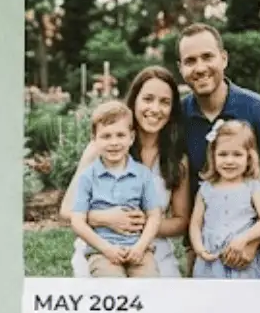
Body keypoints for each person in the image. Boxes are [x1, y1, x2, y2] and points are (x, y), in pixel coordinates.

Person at [175, 23, 260, 279]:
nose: (200, 68)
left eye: (208, 57)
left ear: (224, 58)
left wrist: (252, 239)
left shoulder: (259, 110)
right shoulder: (178, 117)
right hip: (209, 221)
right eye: (190, 61)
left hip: (257, 212)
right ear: (181, 68)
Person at [61, 66, 191, 275]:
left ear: (172, 109)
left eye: (164, 102)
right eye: (148, 99)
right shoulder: (104, 148)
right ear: (134, 101)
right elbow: (67, 210)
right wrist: (105, 219)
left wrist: (144, 225)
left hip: (150, 247)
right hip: (103, 245)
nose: (155, 109)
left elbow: (180, 221)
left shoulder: (177, 158)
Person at [65, 101, 164, 278]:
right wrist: (106, 249)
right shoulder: (88, 177)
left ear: (131, 137)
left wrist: (140, 247)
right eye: (106, 136)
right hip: (103, 251)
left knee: (149, 286)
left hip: (138, 249)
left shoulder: (143, 174)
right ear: (94, 140)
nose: (114, 142)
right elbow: (77, 221)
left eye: (120, 135)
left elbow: (154, 216)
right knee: (112, 285)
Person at [190, 120, 260, 280]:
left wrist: (244, 239)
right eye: (223, 154)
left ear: (249, 158)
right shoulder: (206, 188)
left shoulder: (252, 187)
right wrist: (199, 249)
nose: (229, 161)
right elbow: (196, 223)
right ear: (213, 156)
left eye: (237, 154)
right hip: (210, 260)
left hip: (240, 259)